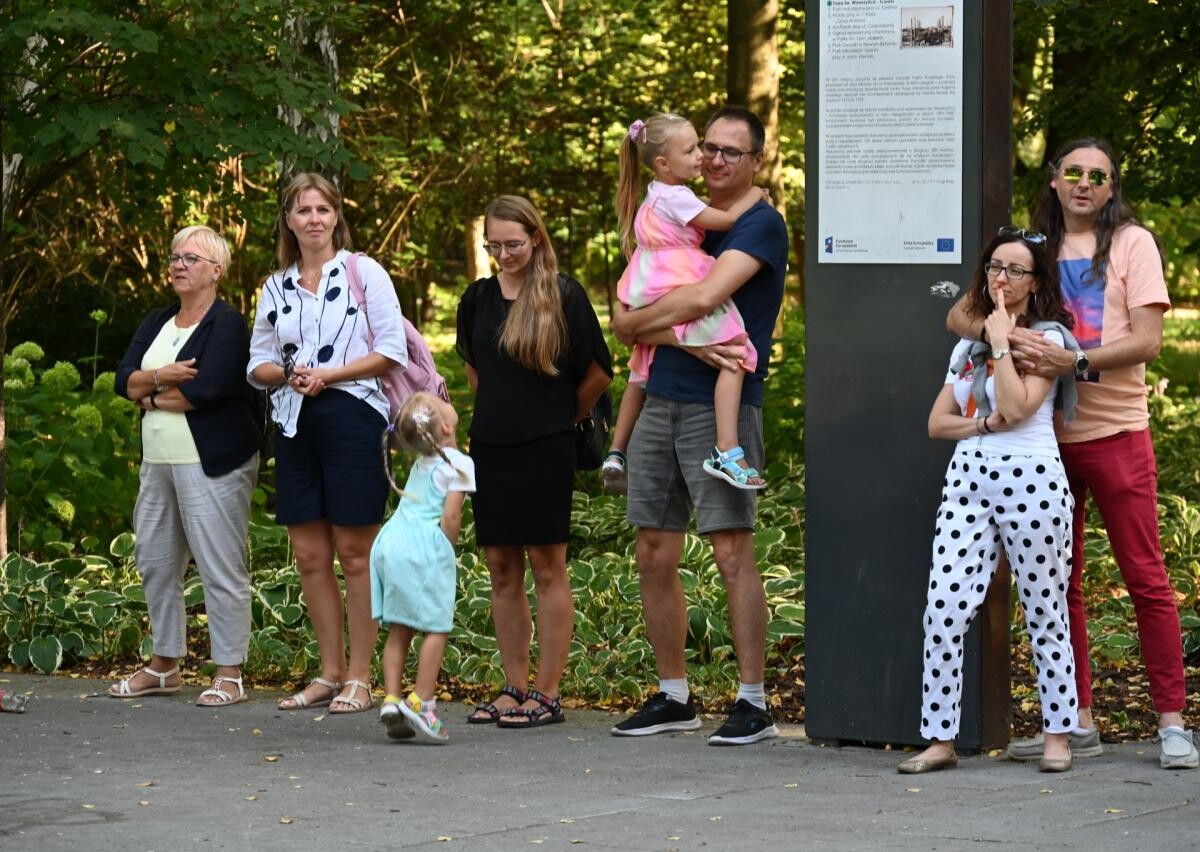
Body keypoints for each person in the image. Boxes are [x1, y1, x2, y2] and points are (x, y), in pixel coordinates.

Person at [951, 139, 1198, 770]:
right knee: (1059, 585)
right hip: (1046, 442)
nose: (1084, 183)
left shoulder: (1133, 244)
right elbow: (961, 315)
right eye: (1073, 173)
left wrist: (1073, 360)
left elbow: (1148, 341)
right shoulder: (1034, 249)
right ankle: (1076, 719)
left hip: (1117, 433)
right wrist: (1011, 339)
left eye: (1098, 175)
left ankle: (1172, 723)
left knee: (1146, 578)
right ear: (1055, 181)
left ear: (1112, 187)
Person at [609, 106, 787, 745]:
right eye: (708, 147)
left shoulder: (759, 224)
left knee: (731, 551)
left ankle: (753, 702)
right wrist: (644, 327)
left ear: (756, 161)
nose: (715, 159)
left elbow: (705, 297)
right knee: (653, 551)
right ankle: (674, 695)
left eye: (731, 151)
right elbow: (636, 308)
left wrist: (635, 324)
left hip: (722, 406)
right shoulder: (676, 209)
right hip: (659, 396)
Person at [898, 229, 1079, 774]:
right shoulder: (966, 346)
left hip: (1033, 480)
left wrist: (1001, 344)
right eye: (995, 266)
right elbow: (938, 423)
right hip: (968, 480)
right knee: (943, 609)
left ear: (1036, 282)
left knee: (1045, 610)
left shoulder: (1050, 340)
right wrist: (980, 424)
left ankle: (1058, 736)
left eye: (1016, 270)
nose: (1002, 277)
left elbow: (1019, 408)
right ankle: (940, 739)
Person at [248, 172, 408, 714]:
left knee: (355, 554)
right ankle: (330, 672)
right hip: (294, 422)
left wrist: (329, 375)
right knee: (309, 555)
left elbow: (391, 350)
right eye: (303, 210)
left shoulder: (364, 272)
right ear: (288, 221)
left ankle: (361, 677)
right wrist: (286, 374)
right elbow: (257, 362)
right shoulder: (275, 287)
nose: (313, 218)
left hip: (353, 415)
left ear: (336, 215)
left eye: (322, 209)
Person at [455, 194, 612, 728]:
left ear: (536, 238)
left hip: (546, 448)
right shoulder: (477, 299)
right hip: (491, 447)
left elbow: (599, 373)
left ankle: (547, 692)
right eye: (494, 246)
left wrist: (559, 418)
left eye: (514, 244)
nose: (504, 255)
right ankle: (514, 686)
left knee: (547, 565)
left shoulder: (564, 295)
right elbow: (477, 370)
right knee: (501, 568)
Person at [110, 226, 260, 707]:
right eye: (174, 257)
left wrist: (150, 394)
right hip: (157, 462)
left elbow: (207, 390)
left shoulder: (227, 324)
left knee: (219, 565)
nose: (178, 265)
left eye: (191, 258)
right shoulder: (157, 319)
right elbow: (122, 381)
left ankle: (230, 673)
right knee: (155, 563)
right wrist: (163, 376)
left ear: (216, 270)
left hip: (212, 462)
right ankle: (165, 666)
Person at [602, 112, 767, 496]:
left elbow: (628, 331)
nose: (704, 158)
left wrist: (633, 326)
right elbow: (726, 221)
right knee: (737, 352)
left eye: (726, 151)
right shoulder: (677, 197)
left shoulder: (658, 194)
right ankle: (727, 449)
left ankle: (616, 450)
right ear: (663, 163)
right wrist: (757, 195)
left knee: (640, 368)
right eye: (696, 149)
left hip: (649, 280)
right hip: (677, 278)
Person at [371, 392, 476, 744]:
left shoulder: (422, 461)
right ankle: (422, 700)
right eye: (443, 403)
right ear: (445, 426)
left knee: (399, 627)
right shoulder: (460, 463)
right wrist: (446, 548)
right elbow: (451, 516)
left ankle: (391, 698)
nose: (449, 401)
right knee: (436, 625)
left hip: (391, 543)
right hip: (423, 548)